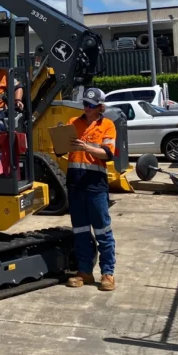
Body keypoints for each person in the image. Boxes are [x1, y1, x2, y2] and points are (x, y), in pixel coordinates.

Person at [65, 87, 117, 292]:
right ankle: (84, 272)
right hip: (75, 184)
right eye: (85, 104)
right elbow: (62, 149)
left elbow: (107, 154)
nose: (86, 108)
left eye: (91, 106)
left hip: (95, 184)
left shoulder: (108, 125)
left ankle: (108, 273)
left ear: (100, 107)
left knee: (103, 230)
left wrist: (86, 148)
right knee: (80, 231)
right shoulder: (73, 123)